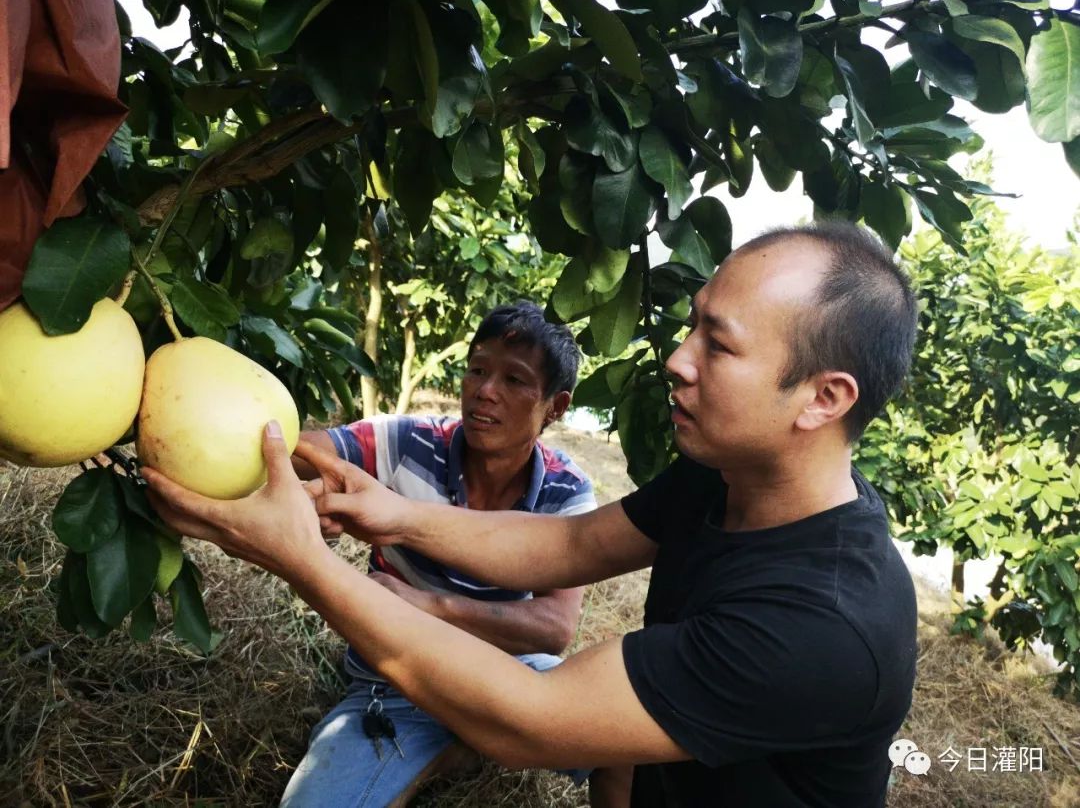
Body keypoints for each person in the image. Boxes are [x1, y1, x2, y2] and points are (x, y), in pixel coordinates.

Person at [143, 222, 920, 807]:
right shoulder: (728, 476)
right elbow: (570, 545)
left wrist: (302, 561)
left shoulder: (825, 626)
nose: (676, 358)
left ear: (824, 398)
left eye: (717, 346)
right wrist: (393, 515)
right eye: (691, 325)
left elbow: (532, 718)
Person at [279, 302, 599, 807]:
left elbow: (554, 626)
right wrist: (288, 474)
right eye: (477, 369)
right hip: (394, 676)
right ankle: (457, 741)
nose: (484, 391)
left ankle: (464, 735)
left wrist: (422, 605)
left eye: (514, 380)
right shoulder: (408, 442)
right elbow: (304, 453)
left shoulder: (568, 491)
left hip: (500, 681)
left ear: (556, 407)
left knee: (624, 734)